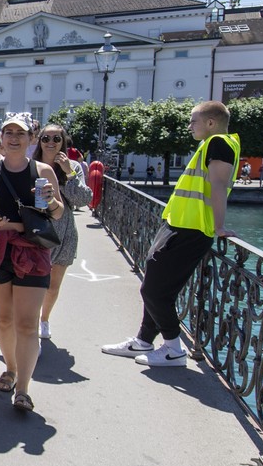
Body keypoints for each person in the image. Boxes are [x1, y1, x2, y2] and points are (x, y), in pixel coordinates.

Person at [102, 102, 239, 367]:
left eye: (194, 121)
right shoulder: (213, 143)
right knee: (157, 285)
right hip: (180, 225)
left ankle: (173, 349)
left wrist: (219, 226)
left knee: (153, 290)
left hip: (192, 229)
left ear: (210, 123)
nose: (190, 126)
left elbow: (219, 185)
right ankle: (143, 340)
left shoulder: (219, 142)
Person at [0, 113, 65, 413]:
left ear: (31, 138)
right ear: (2, 140)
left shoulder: (43, 170)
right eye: (8, 133)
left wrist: (50, 200)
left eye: (21, 133)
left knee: (27, 324)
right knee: (2, 320)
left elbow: (56, 214)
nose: (14, 138)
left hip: (32, 255)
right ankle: (11, 369)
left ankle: (25, 389)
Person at [33, 124, 92, 341]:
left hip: (63, 232)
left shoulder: (73, 166)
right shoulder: (32, 166)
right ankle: (27, 319)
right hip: (34, 230)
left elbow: (83, 200)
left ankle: (44, 319)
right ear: (39, 141)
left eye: (56, 138)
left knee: (53, 284)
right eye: (45, 138)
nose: (50, 142)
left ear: (63, 141)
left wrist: (69, 173)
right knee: (30, 281)